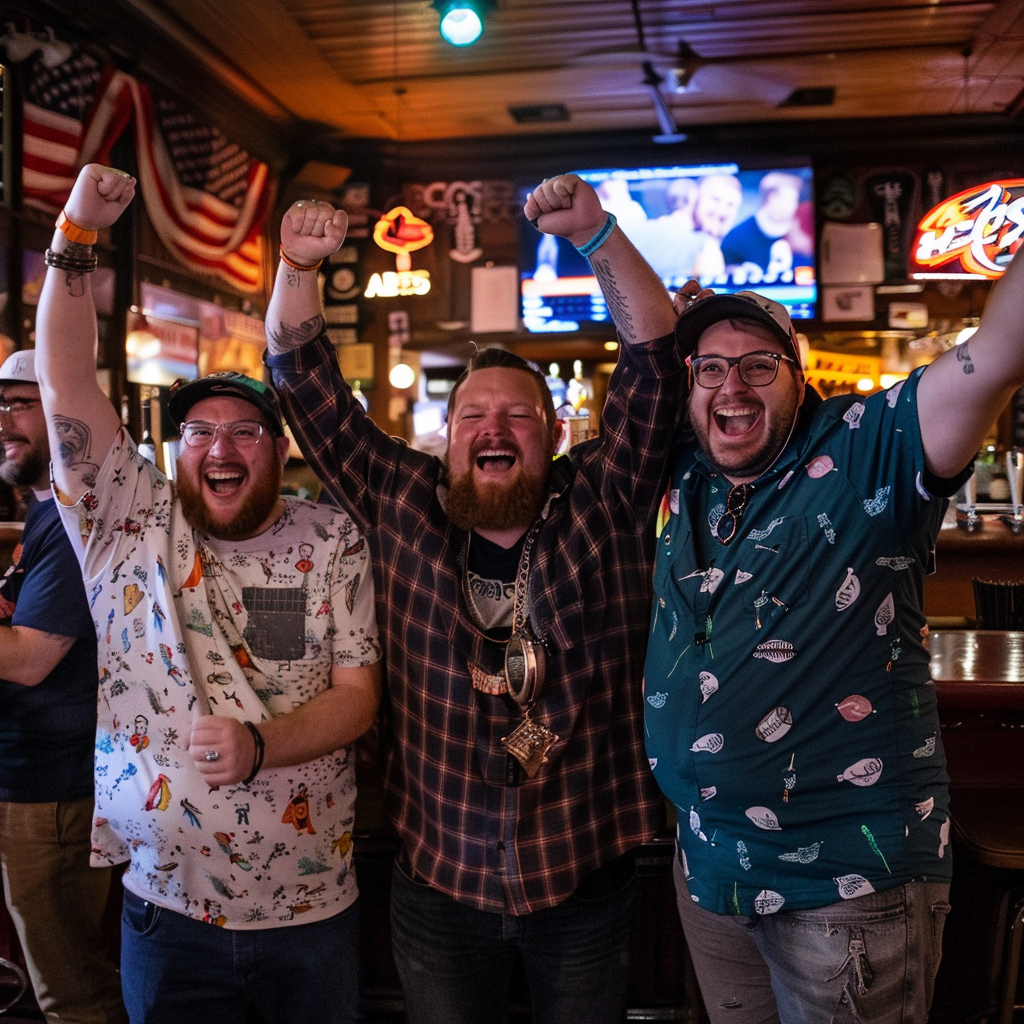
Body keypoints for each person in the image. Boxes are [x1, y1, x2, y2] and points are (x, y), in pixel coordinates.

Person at [264, 178, 684, 1023]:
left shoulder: (604, 497)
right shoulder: (401, 497)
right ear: (445, 436)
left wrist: (599, 234)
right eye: (473, 417)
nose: (493, 429)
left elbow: (656, 369)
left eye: (518, 418)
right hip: (438, 883)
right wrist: (296, 267)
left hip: (583, 877)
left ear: (554, 434)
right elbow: (302, 383)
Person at [638, 244, 1024, 1021]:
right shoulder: (688, 471)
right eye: (709, 368)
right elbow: (644, 344)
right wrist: (594, 233)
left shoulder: (869, 446)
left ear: (799, 373)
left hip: (847, 883)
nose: (731, 384)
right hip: (710, 866)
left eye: (757, 364)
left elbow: (1000, 349)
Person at [34, 164, 382, 1024]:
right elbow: (65, 382)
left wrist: (262, 746)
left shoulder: (331, 538)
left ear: (277, 450)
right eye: (199, 432)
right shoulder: (126, 519)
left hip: (314, 907)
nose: (220, 447)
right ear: (175, 447)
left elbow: (357, 698)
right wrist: (75, 239)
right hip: (164, 904)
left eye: (244, 432)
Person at [0, 349, 127, 1024]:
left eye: (20, 405)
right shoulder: (48, 510)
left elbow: (28, 660)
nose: (3, 422)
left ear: (63, 414)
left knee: (72, 992)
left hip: (53, 790)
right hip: (43, 780)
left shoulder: (80, 518)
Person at [721, 171, 811, 284]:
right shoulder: (735, 238)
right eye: (789, 199)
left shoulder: (803, 238)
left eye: (794, 200)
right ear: (771, 198)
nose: (793, 205)